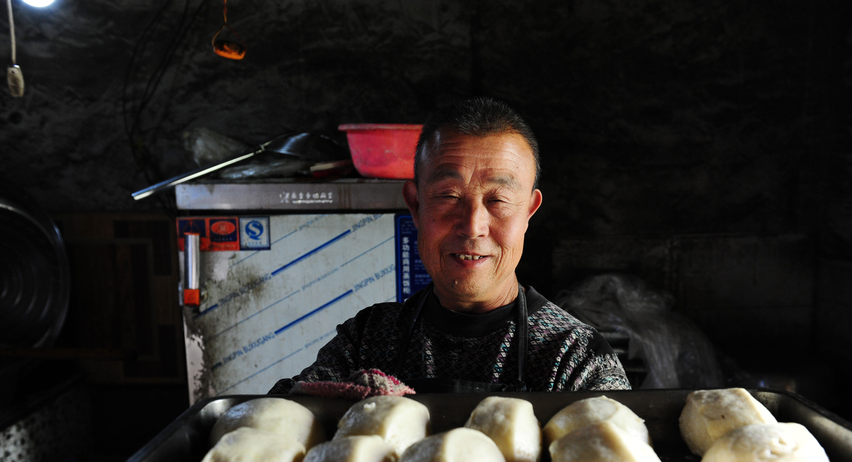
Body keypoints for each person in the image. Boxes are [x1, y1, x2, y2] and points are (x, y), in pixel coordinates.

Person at [269, 97, 630, 394]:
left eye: (498, 200)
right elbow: (283, 420)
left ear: (529, 212)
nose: (473, 226)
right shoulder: (369, 340)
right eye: (449, 196)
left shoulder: (573, 356)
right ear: (415, 205)